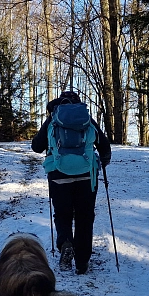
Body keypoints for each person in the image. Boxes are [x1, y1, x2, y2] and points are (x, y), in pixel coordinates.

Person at [32, 91, 112, 274]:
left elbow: (36, 147)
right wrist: (103, 162)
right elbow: (104, 145)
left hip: (58, 176)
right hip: (86, 176)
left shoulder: (53, 119)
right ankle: (82, 262)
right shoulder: (86, 119)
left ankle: (66, 242)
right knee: (85, 217)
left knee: (62, 214)